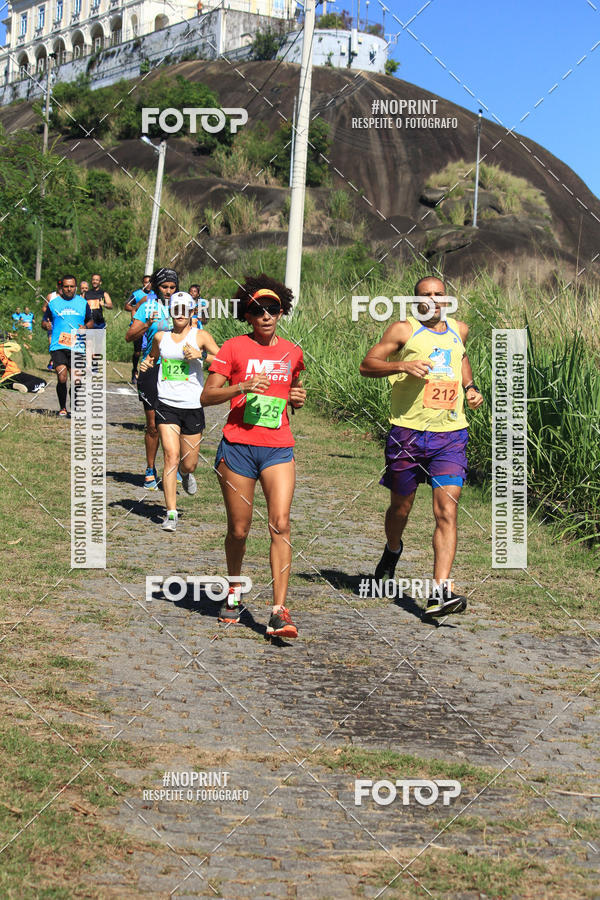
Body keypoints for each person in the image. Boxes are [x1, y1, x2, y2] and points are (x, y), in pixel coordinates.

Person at [359, 276, 484, 618]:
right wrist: (402, 365)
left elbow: (460, 359)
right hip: (408, 434)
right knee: (401, 509)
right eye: (425, 295)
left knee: (447, 511)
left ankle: (439, 592)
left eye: (439, 294)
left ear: (448, 298)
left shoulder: (459, 329)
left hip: (451, 435)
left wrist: (470, 387)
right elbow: (367, 365)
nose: (433, 299)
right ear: (415, 301)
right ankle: (392, 550)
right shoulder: (403, 330)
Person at [201, 274, 306, 639]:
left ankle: (279, 610)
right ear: (247, 315)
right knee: (239, 529)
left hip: (278, 447)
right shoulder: (232, 348)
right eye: (258, 310)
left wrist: (296, 397)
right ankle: (233, 589)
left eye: (273, 309)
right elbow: (207, 396)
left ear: (282, 312)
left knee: (280, 523)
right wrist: (241, 386)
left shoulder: (293, 352)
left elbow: (293, 387)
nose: (266, 315)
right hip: (238, 447)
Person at [140, 292, 220, 531]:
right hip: (166, 404)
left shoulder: (201, 336)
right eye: (177, 309)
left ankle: (186, 475)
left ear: (192, 311)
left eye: (185, 309)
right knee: (170, 457)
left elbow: (225, 361)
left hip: (193, 406)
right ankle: (171, 513)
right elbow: (152, 358)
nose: (181, 313)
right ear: (171, 311)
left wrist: (202, 355)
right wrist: (145, 364)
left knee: (189, 463)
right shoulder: (161, 337)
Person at [125, 268, 176, 490]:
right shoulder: (148, 307)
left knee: (175, 423)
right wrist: (147, 322)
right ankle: (150, 469)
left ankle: (173, 468)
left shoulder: (181, 307)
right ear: (156, 287)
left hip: (175, 370)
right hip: (151, 368)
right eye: (164, 287)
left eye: (172, 288)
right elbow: (129, 336)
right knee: (153, 424)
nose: (168, 291)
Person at [42, 275, 93, 416]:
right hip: (58, 345)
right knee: (62, 377)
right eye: (66, 286)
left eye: (71, 286)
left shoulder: (83, 303)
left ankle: (74, 405)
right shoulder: (53, 303)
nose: (69, 289)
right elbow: (44, 320)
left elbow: (91, 321)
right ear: (61, 288)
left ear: (75, 287)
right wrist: (46, 324)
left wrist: (86, 327)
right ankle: (62, 407)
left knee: (76, 380)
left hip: (77, 346)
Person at [125, 275, 153, 386]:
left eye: (150, 283)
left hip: (150, 325)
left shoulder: (155, 295)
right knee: (137, 351)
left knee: (149, 350)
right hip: (138, 325)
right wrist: (136, 311)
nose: (148, 285)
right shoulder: (137, 294)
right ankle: (134, 370)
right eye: (146, 283)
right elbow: (127, 305)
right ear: (143, 283)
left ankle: (146, 373)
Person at [43, 278, 63, 371]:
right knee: (52, 344)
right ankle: (54, 362)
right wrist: (47, 316)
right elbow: (44, 308)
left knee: (61, 344)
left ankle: (53, 362)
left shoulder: (67, 297)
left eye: (62, 285)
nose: (60, 287)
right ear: (57, 286)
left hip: (62, 324)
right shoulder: (51, 296)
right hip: (52, 323)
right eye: (59, 285)